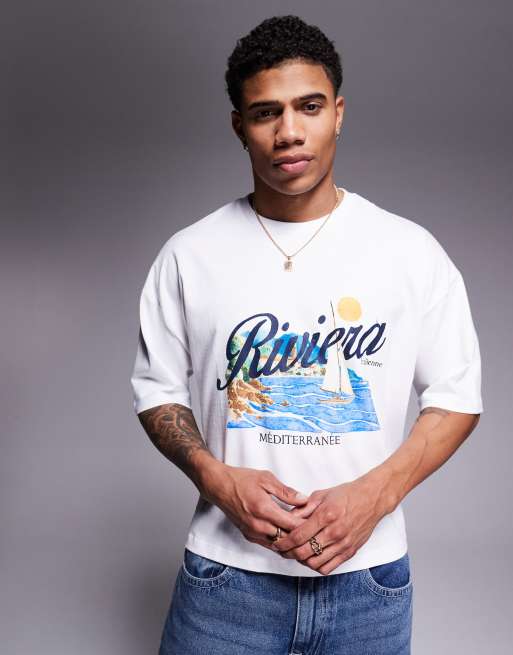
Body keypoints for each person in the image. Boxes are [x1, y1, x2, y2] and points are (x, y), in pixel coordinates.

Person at [130, 14, 483, 655]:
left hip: (367, 583)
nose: (289, 131)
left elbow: (457, 397)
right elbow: (158, 392)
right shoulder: (190, 254)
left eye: (309, 107)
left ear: (338, 114)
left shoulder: (409, 251)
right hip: (225, 582)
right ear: (239, 126)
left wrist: (376, 494)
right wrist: (215, 478)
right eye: (266, 113)